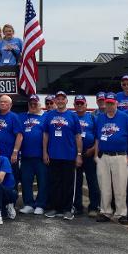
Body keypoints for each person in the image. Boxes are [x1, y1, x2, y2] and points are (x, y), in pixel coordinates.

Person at [94, 93, 128, 225]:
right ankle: (105, 212)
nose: (109, 105)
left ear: (117, 103)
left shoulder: (124, 117)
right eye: (107, 103)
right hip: (103, 156)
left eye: (112, 103)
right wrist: (96, 155)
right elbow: (97, 138)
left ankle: (121, 213)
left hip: (119, 156)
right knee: (104, 186)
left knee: (120, 187)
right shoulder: (100, 118)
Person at [42, 91, 82, 220]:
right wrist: (45, 151)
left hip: (69, 156)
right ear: (55, 101)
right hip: (53, 155)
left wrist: (79, 154)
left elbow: (78, 136)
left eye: (62, 99)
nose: (60, 101)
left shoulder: (72, 116)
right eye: (57, 99)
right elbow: (45, 135)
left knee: (68, 184)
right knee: (54, 183)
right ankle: (54, 208)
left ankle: (67, 209)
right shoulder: (49, 115)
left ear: (66, 101)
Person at [18, 95, 47, 215]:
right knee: (26, 181)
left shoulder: (46, 116)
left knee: (43, 181)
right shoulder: (21, 116)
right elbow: (9, 122)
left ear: (40, 104)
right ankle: (28, 203)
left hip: (41, 156)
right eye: (31, 103)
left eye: (35, 103)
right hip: (26, 156)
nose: (33, 105)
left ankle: (40, 204)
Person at [73, 95, 100, 217]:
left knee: (92, 181)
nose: (79, 106)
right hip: (75, 155)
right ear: (74, 105)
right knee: (76, 181)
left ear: (86, 105)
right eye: (77, 104)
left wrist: (93, 149)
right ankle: (77, 206)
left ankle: (94, 206)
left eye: (81, 104)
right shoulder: (72, 117)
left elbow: (98, 137)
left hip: (89, 153)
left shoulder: (92, 117)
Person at [0, 95, 23, 184]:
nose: (2, 103)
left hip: (9, 155)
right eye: (1, 102)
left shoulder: (14, 117)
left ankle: (12, 197)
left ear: (10, 105)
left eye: (5, 102)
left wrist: (15, 152)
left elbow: (19, 135)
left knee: (11, 179)